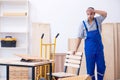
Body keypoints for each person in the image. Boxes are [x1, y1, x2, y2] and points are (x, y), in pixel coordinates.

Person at [73, 7, 107, 80]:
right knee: (90, 68)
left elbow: (105, 14)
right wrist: (75, 49)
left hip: (99, 49)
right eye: (88, 14)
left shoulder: (98, 20)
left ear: (94, 14)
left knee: (102, 66)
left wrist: (94, 10)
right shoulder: (83, 24)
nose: (89, 15)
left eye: (91, 14)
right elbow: (79, 37)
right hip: (89, 50)